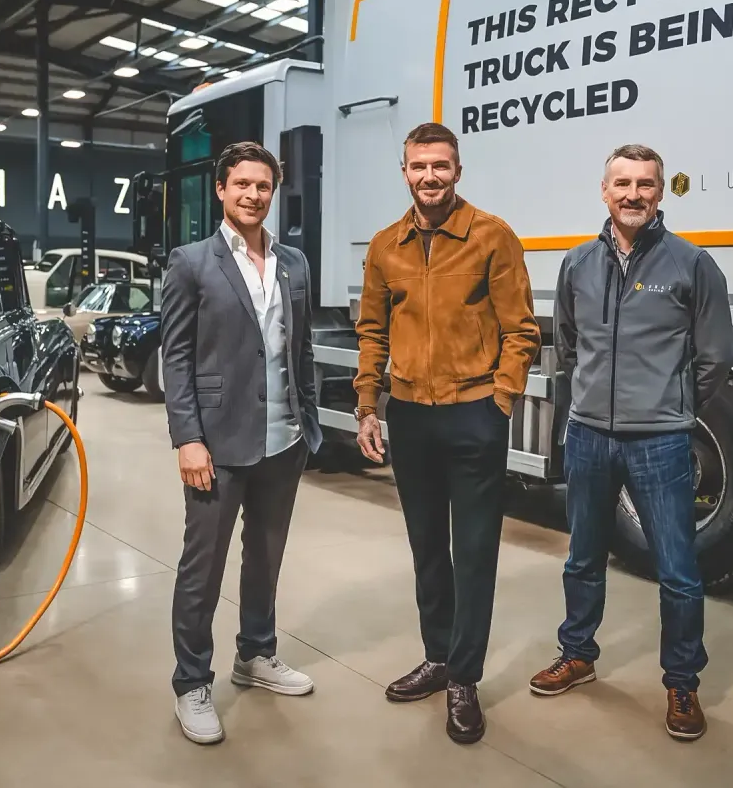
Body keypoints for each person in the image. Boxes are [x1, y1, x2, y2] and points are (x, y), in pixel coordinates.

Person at [529, 144, 733, 741]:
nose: (633, 194)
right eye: (622, 183)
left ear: (660, 192)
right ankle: (578, 654)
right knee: (583, 557)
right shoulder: (577, 263)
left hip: (660, 441)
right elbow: (568, 343)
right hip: (589, 435)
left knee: (678, 570)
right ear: (604, 191)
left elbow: (714, 357)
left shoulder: (692, 264)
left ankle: (682, 683)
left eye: (645, 184)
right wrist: (592, 400)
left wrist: (671, 408)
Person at [353, 122, 541, 744]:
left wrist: (500, 400)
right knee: (428, 547)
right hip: (410, 415)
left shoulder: (492, 236)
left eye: (440, 165)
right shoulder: (386, 246)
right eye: (418, 166)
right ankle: (438, 657)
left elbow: (521, 330)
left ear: (458, 170)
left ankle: (464, 677)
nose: (429, 176)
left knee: (476, 551)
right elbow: (372, 332)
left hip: (473, 413)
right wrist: (368, 405)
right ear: (404, 172)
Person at [160, 140, 323, 745]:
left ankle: (255, 653)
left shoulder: (293, 263)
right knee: (202, 567)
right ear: (222, 189)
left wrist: (309, 421)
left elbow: (300, 347)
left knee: (265, 557)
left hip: (283, 439)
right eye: (243, 184)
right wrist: (188, 437)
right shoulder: (191, 262)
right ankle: (191, 682)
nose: (253, 195)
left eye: (263, 186)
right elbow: (176, 356)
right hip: (217, 443)